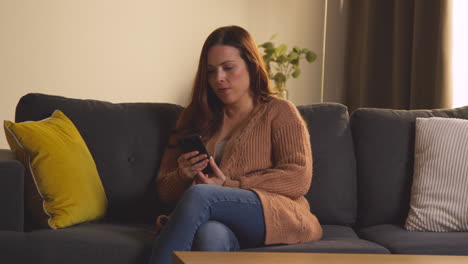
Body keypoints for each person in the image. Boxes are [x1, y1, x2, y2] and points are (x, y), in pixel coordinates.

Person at [148, 25, 322, 264]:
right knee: (211, 236)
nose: (219, 78)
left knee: (202, 195)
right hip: (217, 220)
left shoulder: (280, 111)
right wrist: (182, 174)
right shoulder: (193, 118)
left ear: (251, 65)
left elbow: (298, 177)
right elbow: (165, 192)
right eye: (211, 71)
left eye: (228, 68)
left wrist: (229, 185)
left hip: (272, 213)